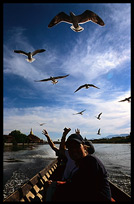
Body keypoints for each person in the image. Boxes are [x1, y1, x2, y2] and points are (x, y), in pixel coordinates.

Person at [46, 132, 111, 202]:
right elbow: (76, 185)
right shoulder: (81, 163)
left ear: (84, 147)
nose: (73, 150)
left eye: (77, 146)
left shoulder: (90, 161)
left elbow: (80, 188)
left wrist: (57, 184)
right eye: (70, 147)